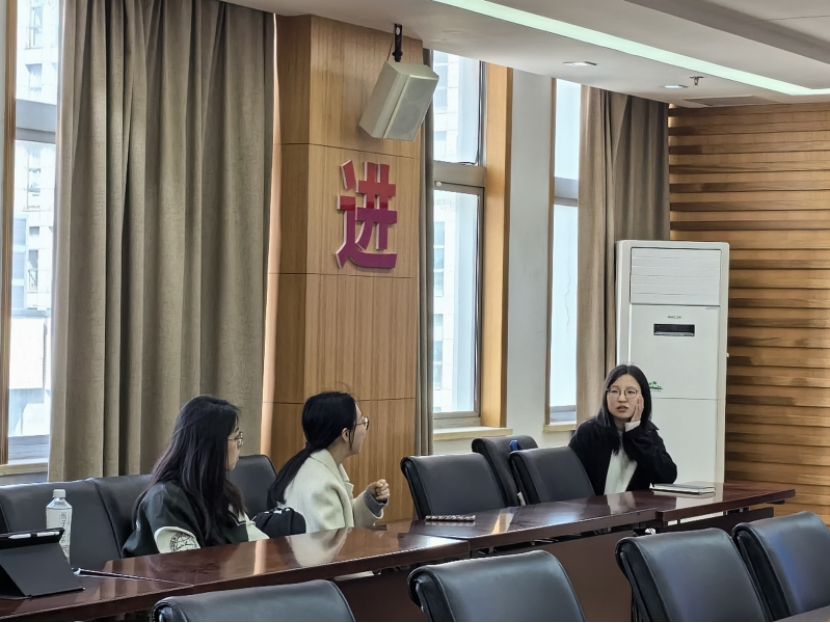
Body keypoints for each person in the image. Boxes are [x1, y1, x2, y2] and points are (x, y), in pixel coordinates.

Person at [123, 395, 268, 556]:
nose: (240, 445)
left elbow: (262, 547)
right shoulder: (165, 501)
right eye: (236, 438)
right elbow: (189, 565)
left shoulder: (222, 494)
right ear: (211, 445)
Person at [268, 391, 389, 533]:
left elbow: (343, 522)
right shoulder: (320, 485)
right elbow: (334, 541)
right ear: (346, 434)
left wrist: (370, 501)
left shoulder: (314, 463)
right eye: (363, 422)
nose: (365, 429)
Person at [569, 364, 677, 495]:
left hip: (635, 508)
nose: (621, 399)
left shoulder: (648, 434)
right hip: (593, 507)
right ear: (606, 396)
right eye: (615, 391)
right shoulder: (588, 433)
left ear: (643, 398)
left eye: (630, 392)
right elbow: (569, 480)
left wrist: (635, 432)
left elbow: (667, 478)